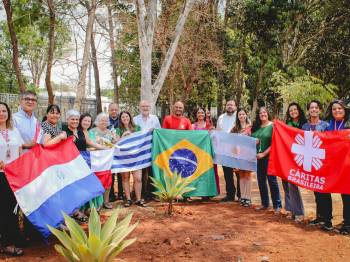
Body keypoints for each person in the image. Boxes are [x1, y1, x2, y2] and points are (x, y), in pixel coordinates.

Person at [12, 91, 43, 244]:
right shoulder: (14, 119)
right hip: (19, 163)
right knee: (20, 198)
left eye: (33, 99)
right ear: (20, 100)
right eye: (27, 99)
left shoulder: (36, 121)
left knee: (33, 197)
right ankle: (19, 234)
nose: (30, 102)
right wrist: (25, 145)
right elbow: (10, 141)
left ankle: (32, 231)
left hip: (34, 163)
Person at [0, 102, 24, 256]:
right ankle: (6, 243)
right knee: (3, 208)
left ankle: (13, 237)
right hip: (1, 174)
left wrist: (20, 167)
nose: (1, 113)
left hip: (14, 175)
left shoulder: (14, 130)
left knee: (14, 208)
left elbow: (20, 149)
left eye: (4, 110)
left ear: (8, 113)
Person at [302, 100, 329, 229]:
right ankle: (320, 217)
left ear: (320, 110)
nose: (313, 109)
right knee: (316, 190)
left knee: (324, 190)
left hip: (322, 162)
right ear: (308, 110)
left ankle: (327, 219)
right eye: (311, 108)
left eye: (316, 107)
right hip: (310, 162)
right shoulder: (305, 127)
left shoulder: (325, 126)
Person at [324, 100, 350, 234]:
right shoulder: (329, 126)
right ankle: (341, 221)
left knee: (347, 194)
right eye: (334, 109)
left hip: (348, 165)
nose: (337, 111)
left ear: (344, 110)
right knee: (341, 192)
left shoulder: (348, 124)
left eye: (339, 108)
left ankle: (348, 225)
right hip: (335, 165)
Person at [252, 106, 282, 213]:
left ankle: (277, 205)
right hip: (258, 159)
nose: (262, 114)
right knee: (261, 181)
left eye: (264, 112)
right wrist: (253, 141)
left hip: (269, 158)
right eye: (260, 113)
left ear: (267, 113)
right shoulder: (256, 127)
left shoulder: (273, 125)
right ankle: (264, 203)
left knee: (272, 181)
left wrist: (264, 153)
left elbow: (275, 143)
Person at [116, 111, 145, 207]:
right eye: (123, 117)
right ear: (120, 119)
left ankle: (138, 199)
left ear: (130, 117)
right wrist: (123, 136)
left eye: (126, 116)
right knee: (125, 178)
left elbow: (142, 139)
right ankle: (128, 199)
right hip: (123, 157)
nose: (125, 118)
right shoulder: (117, 130)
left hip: (136, 157)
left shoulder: (137, 128)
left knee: (138, 178)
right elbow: (115, 143)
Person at [283, 102, 307, 222]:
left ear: (299, 110)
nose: (293, 112)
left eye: (295, 109)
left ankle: (299, 212)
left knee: (294, 182)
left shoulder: (305, 124)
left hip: (302, 157)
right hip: (288, 156)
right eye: (291, 110)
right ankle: (291, 209)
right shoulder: (287, 124)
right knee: (287, 182)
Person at [133, 100, 161, 200]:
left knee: (151, 171)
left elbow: (159, 132)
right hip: (139, 150)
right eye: (143, 106)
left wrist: (154, 131)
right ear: (139, 107)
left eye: (147, 106)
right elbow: (133, 134)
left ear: (150, 108)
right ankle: (141, 194)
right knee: (140, 173)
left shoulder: (155, 118)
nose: (145, 108)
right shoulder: (135, 119)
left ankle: (152, 193)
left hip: (152, 148)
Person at [89, 113, 117, 209]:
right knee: (96, 181)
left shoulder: (110, 132)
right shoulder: (92, 131)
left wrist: (114, 137)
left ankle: (106, 201)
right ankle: (97, 204)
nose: (104, 122)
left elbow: (114, 144)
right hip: (95, 161)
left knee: (108, 181)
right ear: (97, 121)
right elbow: (89, 145)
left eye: (106, 120)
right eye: (102, 120)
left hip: (107, 161)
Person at [217, 100, 240, 202]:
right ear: (225, 106)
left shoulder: (240, 116)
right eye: (228, 105)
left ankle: (241, 195)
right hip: (224, 150)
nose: (230, 106)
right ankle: (230, 195)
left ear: (235, 106)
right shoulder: (221, 118)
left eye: (232, 105)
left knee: (239, 173)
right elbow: (217, 133)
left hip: (237, 150)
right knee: (227, 173)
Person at [230, 108, 253, 207]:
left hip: (248, 155)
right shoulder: (235, 128)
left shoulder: (251, 127)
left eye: (243, 114)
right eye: (240, 115)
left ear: (246, 115)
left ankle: (248, 197)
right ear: (237, 116)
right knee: (241, 175)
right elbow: (230, 141)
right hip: (238, 155)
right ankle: (242, 197)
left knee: (247, 175)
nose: (242, 116)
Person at [107, 103, 122, 202]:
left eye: (116, 110)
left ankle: (121, 193)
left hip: (120, 150)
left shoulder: (121, 120)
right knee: (111, 173)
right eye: (112, 110)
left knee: (120, 172)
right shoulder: (105, 120)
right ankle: (111, 194)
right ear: (108, 110)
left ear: (118, 110)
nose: (114, 111)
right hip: (109, 150)